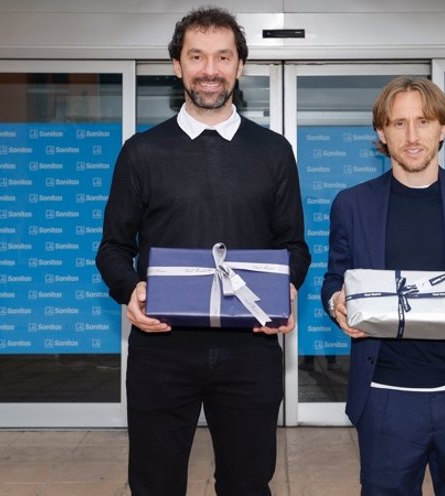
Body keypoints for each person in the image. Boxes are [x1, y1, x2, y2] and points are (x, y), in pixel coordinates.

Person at [96, 7, 310, 496]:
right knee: (153, 484)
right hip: (161, 347)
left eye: (222, 56)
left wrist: (288, 289)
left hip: (250, 348)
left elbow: (294, 246)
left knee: (248, 483)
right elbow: (112, 248)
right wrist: (129, 289)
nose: (209, 69)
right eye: (197, 56)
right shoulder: (141, 152)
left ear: (239, 66)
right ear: (177, 65)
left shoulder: (273, 152)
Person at [321, 76, 445, 495]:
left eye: (424, 122)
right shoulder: (352, 205)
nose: (412, 136)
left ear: (443, 128)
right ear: (382, 132)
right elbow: (334, 280)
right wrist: (336, 302)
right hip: (385, 398)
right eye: (399, 124)